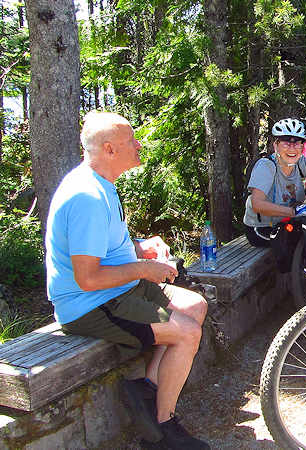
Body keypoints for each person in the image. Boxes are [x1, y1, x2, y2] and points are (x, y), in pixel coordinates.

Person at [45, 111, 209, 448]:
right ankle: (162, 431)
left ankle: (145, 392)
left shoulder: (102, 185)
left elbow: (104, 247)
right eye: (130, 140)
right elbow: (88, 278)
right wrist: (142, 269)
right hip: (91, 303)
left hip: (119, 288)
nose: (138, 145)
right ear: (108, 149)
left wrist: (141, 247)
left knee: (195, 305)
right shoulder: (86, 197)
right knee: (187, 333)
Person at [243, 117, 306, 247]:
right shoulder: (266, 166)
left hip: (289, 223)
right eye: (286, 143)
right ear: (276, 145)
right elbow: (257, 204)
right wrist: (295, 212)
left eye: (297, 143)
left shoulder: (301, 162)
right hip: (261, 228)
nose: (292, 148)